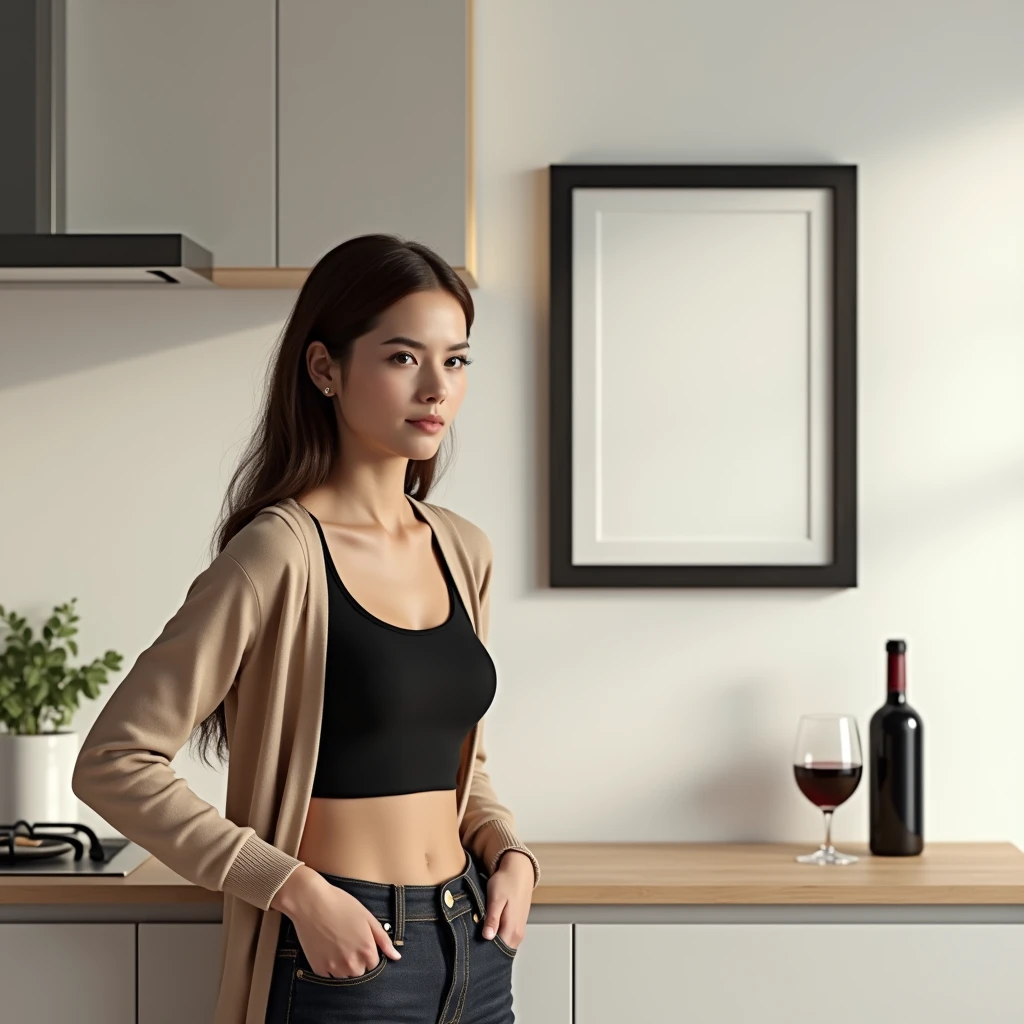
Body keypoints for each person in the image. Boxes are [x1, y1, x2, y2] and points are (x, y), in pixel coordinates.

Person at [72, 234, 540, 1024]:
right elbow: (116, 761)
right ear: (325, 368)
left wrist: (509, 852)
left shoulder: (464, 549)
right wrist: (294, 890)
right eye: (402, 358)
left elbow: (461, 762)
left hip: (476, 946)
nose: (436, 388)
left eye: (455, 361)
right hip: (342, 956)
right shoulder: (278, 555)